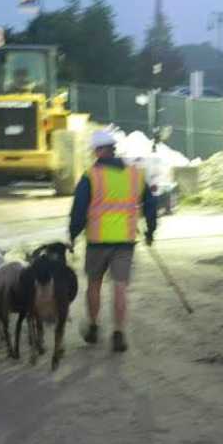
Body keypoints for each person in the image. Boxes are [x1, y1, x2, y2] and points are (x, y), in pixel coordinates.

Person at [68, 129, 157, 353]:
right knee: (120, 287)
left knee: (94, 285)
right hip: (125, 242)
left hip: (98, 241)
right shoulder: (135, 174)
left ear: (99, 151)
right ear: (113, 149)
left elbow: (79, 210)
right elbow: (150, 204)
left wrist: (72, 234)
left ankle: (93, 326)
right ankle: (118, 332)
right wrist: (150, 231)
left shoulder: (91, 176)